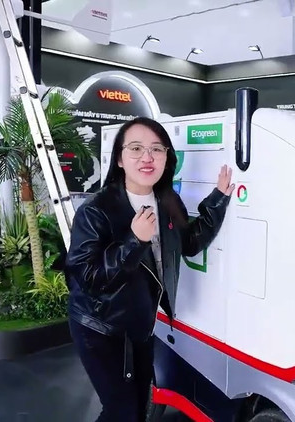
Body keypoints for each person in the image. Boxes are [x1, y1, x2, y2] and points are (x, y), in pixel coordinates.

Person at [64, 116, 234, 422]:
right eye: (136, 148)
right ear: (119, 159)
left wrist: (218, 199)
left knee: (140, 404)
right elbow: (88, 278)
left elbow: (190, 242)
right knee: (121, 411)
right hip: (100, 326)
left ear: (167, 157)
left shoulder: (167, 201)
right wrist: (134, 241)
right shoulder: (96, 210)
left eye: (157, 149)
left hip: (140, 322)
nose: (147, 157)